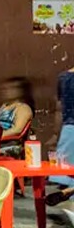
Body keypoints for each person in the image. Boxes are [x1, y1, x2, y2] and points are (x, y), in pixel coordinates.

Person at [45, 65, 74, 208]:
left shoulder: (63, 77)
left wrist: (56, 134)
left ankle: (69, 217)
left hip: (69, 131)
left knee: (67, 177)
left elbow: (59, 108)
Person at [0, 76, 35, 156]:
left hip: (11, 144)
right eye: (5, 89)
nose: (7, 91)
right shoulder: (4, 106)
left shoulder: (23, 108)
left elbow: (17, 130)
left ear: (20, 91)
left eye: (11, 88)